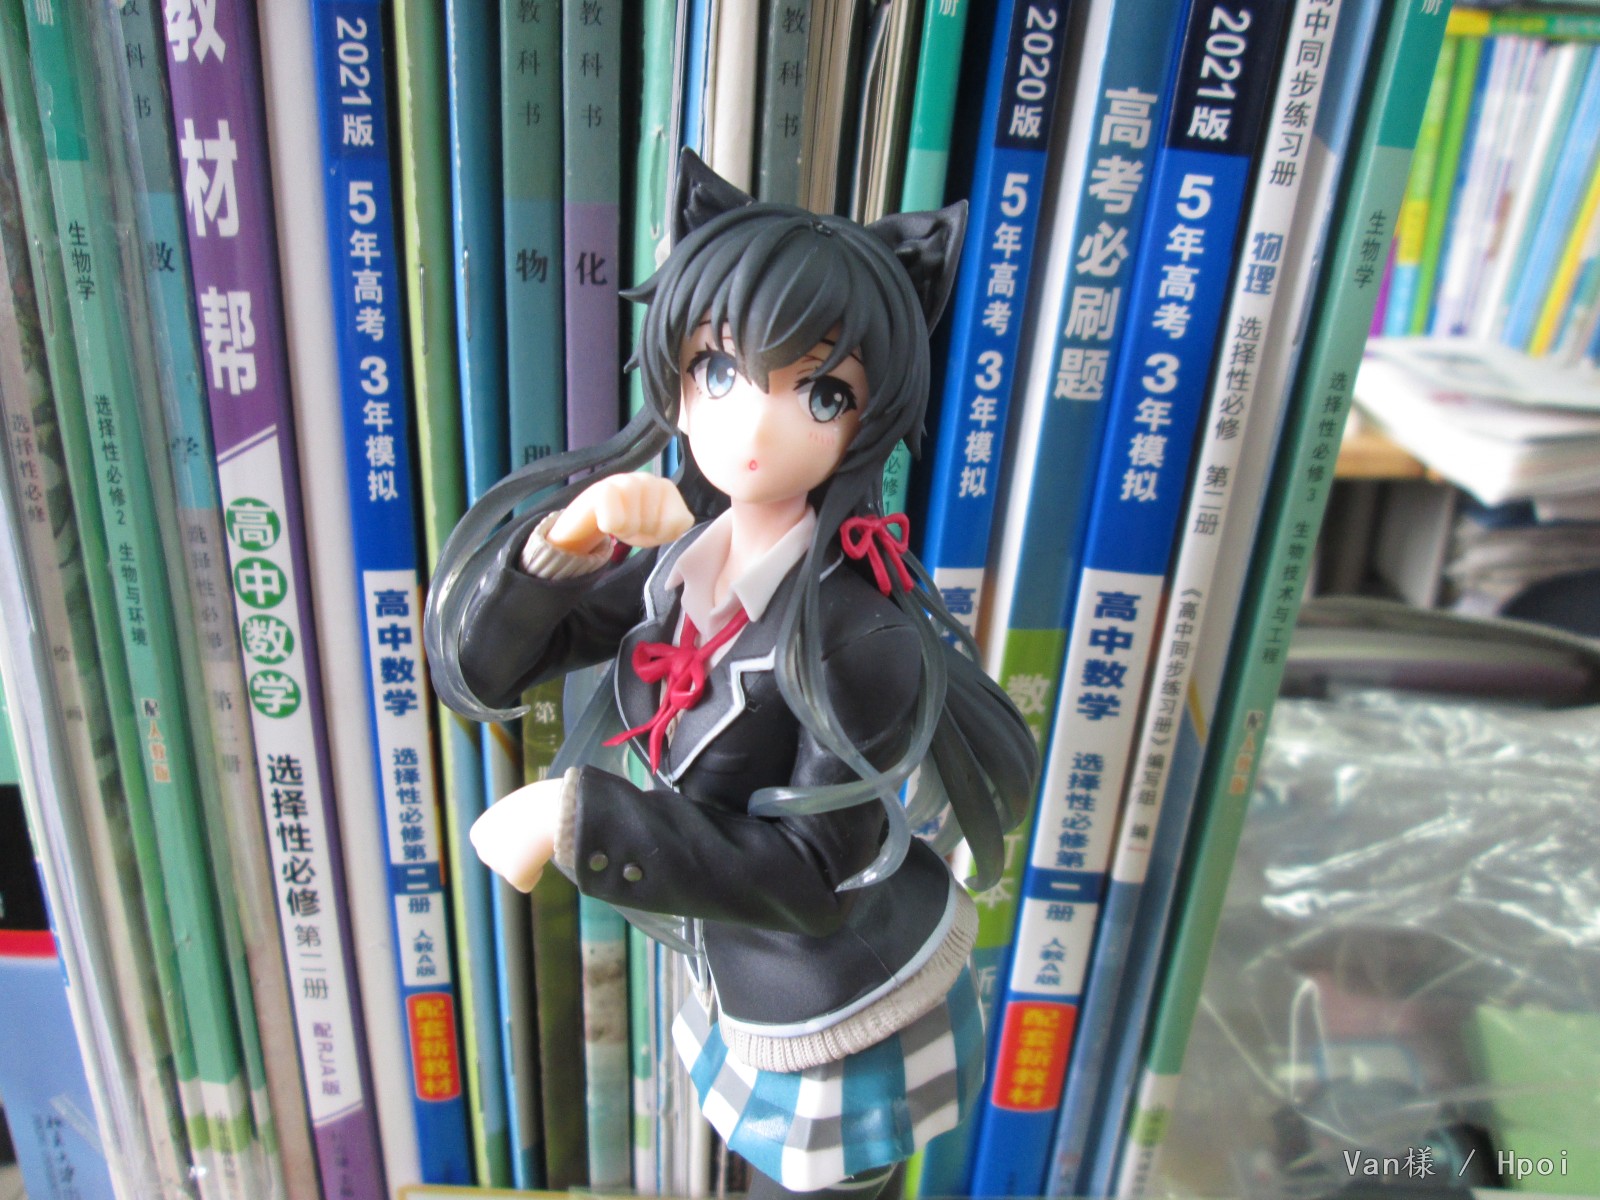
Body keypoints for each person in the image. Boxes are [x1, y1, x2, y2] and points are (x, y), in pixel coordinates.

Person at [424, 152, 1038, 1198]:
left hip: (842, 994)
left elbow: (811, 877)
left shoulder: (855, 637)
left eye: (821, 391)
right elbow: (486, 672)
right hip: (740, 973)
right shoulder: (684, 560)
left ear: (869, 417)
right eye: (718, 370)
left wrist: (577, 816)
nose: (752, 424)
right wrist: (562, 548)